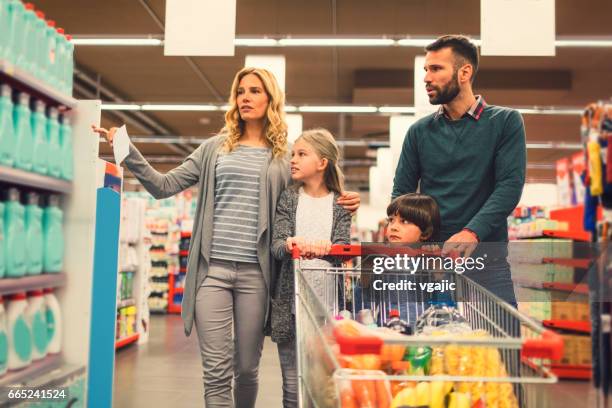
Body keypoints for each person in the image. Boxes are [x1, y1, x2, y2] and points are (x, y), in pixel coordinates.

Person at [92, 67, 360, 408]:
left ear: (271, 99)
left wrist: (346, 199)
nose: (245, 97)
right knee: (216, 372)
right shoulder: (214, 148)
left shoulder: (284, 154)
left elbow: (313, 192)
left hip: (257, 276)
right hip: (212, 272)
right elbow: (164, 186)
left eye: (255, 91)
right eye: (240, 91)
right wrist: (125, 149)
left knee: (247, 369)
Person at [391, 35, 526, 304]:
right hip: (433, 265)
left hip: (487, 262)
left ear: (465, 72)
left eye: (436, 69)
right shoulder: (419, 132)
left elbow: (509, 185)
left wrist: (472, 232)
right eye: (425, 70)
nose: (427, 78)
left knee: (502, 343)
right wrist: (402, 232)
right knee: (430, 343)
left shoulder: (505, 122)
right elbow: (402, 194)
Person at [269, 128, 352, 408]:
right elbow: (277, 246)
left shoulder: (340, 203)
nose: (293, 159)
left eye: (301, 154)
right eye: (293, 154)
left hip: (328, 311)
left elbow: (343, 248)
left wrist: (326, 249)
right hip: (291, 309)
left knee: (325, 385)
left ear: (322, 163)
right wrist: (293, 243)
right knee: (292, 387)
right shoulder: (289, 198)